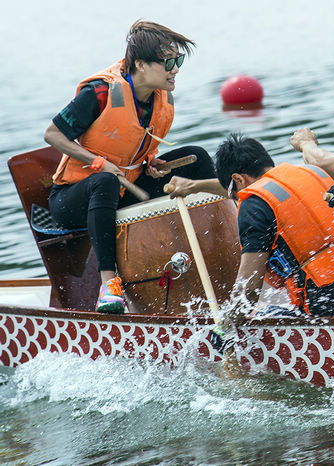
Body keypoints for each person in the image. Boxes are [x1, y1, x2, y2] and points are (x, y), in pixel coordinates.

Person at [44, 21, 217, 315]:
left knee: (197, 157)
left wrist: (151, 163)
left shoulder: (160, 96)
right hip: (72, 197)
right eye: (168, 63)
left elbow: (135, 142)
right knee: (105, 181)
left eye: (179, 61)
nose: (176, 69)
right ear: (140, 64)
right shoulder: (100, 92)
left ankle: (226, 248)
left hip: (126, 185)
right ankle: (109, 287)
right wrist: (99, 163)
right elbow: (52, 134)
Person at [168, 133, 334, 317]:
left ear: (238, 179)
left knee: (252, 314)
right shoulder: (308, 173)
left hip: (322, 308)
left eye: (232, 193)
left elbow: (248, 290)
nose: (236, 199)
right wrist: (194, 187)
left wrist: (225, 328)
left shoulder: (254, 204)